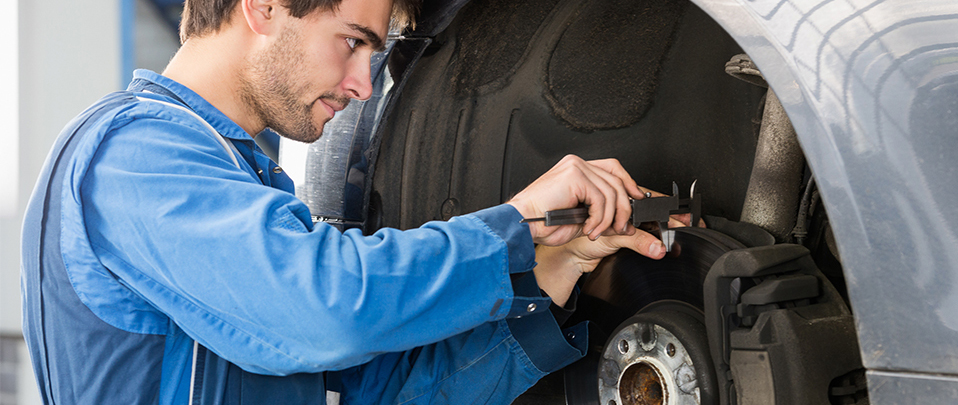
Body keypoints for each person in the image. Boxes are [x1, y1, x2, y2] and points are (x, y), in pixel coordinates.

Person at [20, 0, 677, 403]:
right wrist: (518, 226)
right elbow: (329, 307)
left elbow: (389, 396)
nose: (366, 85)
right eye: (354, 41)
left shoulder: (249, 190)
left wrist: (553, 267)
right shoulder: (132, 156)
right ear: (264, 7)